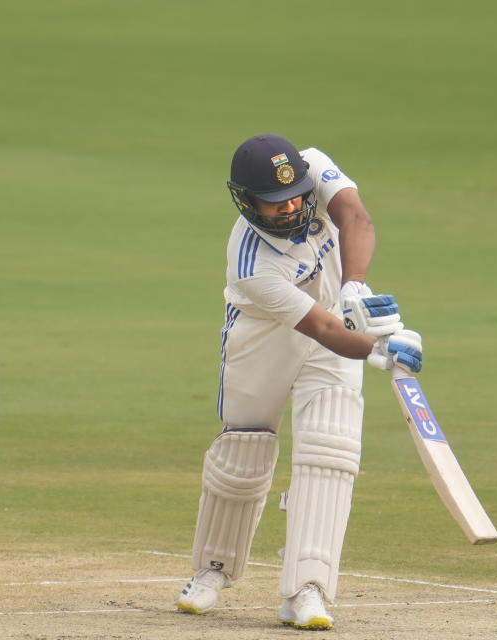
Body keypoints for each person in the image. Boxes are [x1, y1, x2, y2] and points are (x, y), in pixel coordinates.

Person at [175, 134, 423, 629]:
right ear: (246, 202)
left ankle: (307, 590)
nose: (290, 207)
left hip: (333, 320)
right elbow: (325, 332)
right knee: (244, 452)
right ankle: (211, 570)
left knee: (331, 450)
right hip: (264, 338)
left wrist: (353, 283)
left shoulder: (312, 165)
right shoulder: (251, 265)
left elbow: (356, 217)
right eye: (274, 202)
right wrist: (379, 347)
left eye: (296, 195)